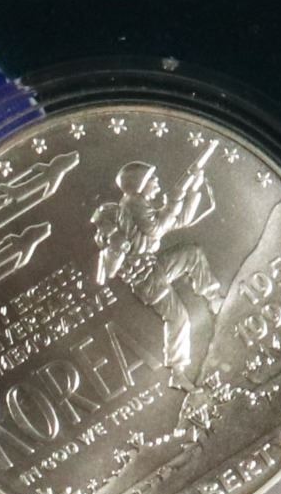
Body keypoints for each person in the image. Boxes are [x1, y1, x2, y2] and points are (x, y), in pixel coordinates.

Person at [91, 153, 224, 389]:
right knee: (179, 318)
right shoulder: (132, 206)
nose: (157, 183)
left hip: (154, 267)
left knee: (192, 254)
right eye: (153, 179)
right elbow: (158, 228)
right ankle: (177, 372)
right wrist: (177, 196)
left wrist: (192, 188)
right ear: (140, 184)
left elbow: (179, 221)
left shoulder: (139, 206)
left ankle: (214, 299)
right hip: (147, 279)